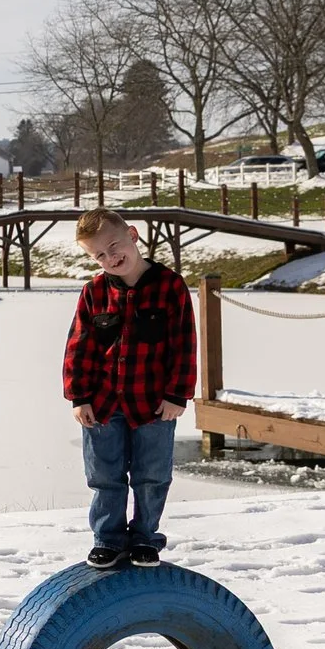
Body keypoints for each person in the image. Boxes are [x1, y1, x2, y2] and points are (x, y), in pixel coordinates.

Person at [64, 208, 194, 568]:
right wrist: (80, 397)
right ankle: (108, 539)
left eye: (114, 246)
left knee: (152, 476)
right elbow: (79, 346)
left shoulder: (170, 286)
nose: (110, 258)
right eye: (99, 255)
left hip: (154, 404)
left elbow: (184, 343)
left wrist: (176, 395)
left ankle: (145, 539)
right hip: (102, 403)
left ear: (133, 236)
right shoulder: (94, 292)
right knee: (104, 476)